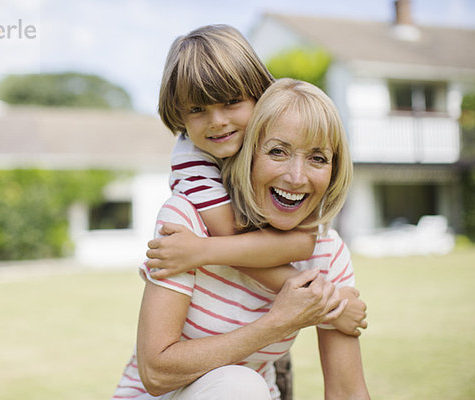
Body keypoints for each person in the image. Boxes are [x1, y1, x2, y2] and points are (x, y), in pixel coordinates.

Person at [111, 78, 370, 399]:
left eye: (318, 158)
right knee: (239, 385)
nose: (296, 177)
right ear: (248, 153)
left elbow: (347, 392)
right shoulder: (186, 224)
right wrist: (277, 323)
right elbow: (156, 373)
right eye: (278, 151)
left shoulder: (327, 253)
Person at [147, 24, 366, 338]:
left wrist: (201, 250)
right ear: (179, 115)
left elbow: (302, 242)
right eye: (197, 109)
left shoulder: (281, 139)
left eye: (231, 102)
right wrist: (331, 305)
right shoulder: (192, 159)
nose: (217, 121)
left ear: (258, 95)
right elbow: (236, 241)